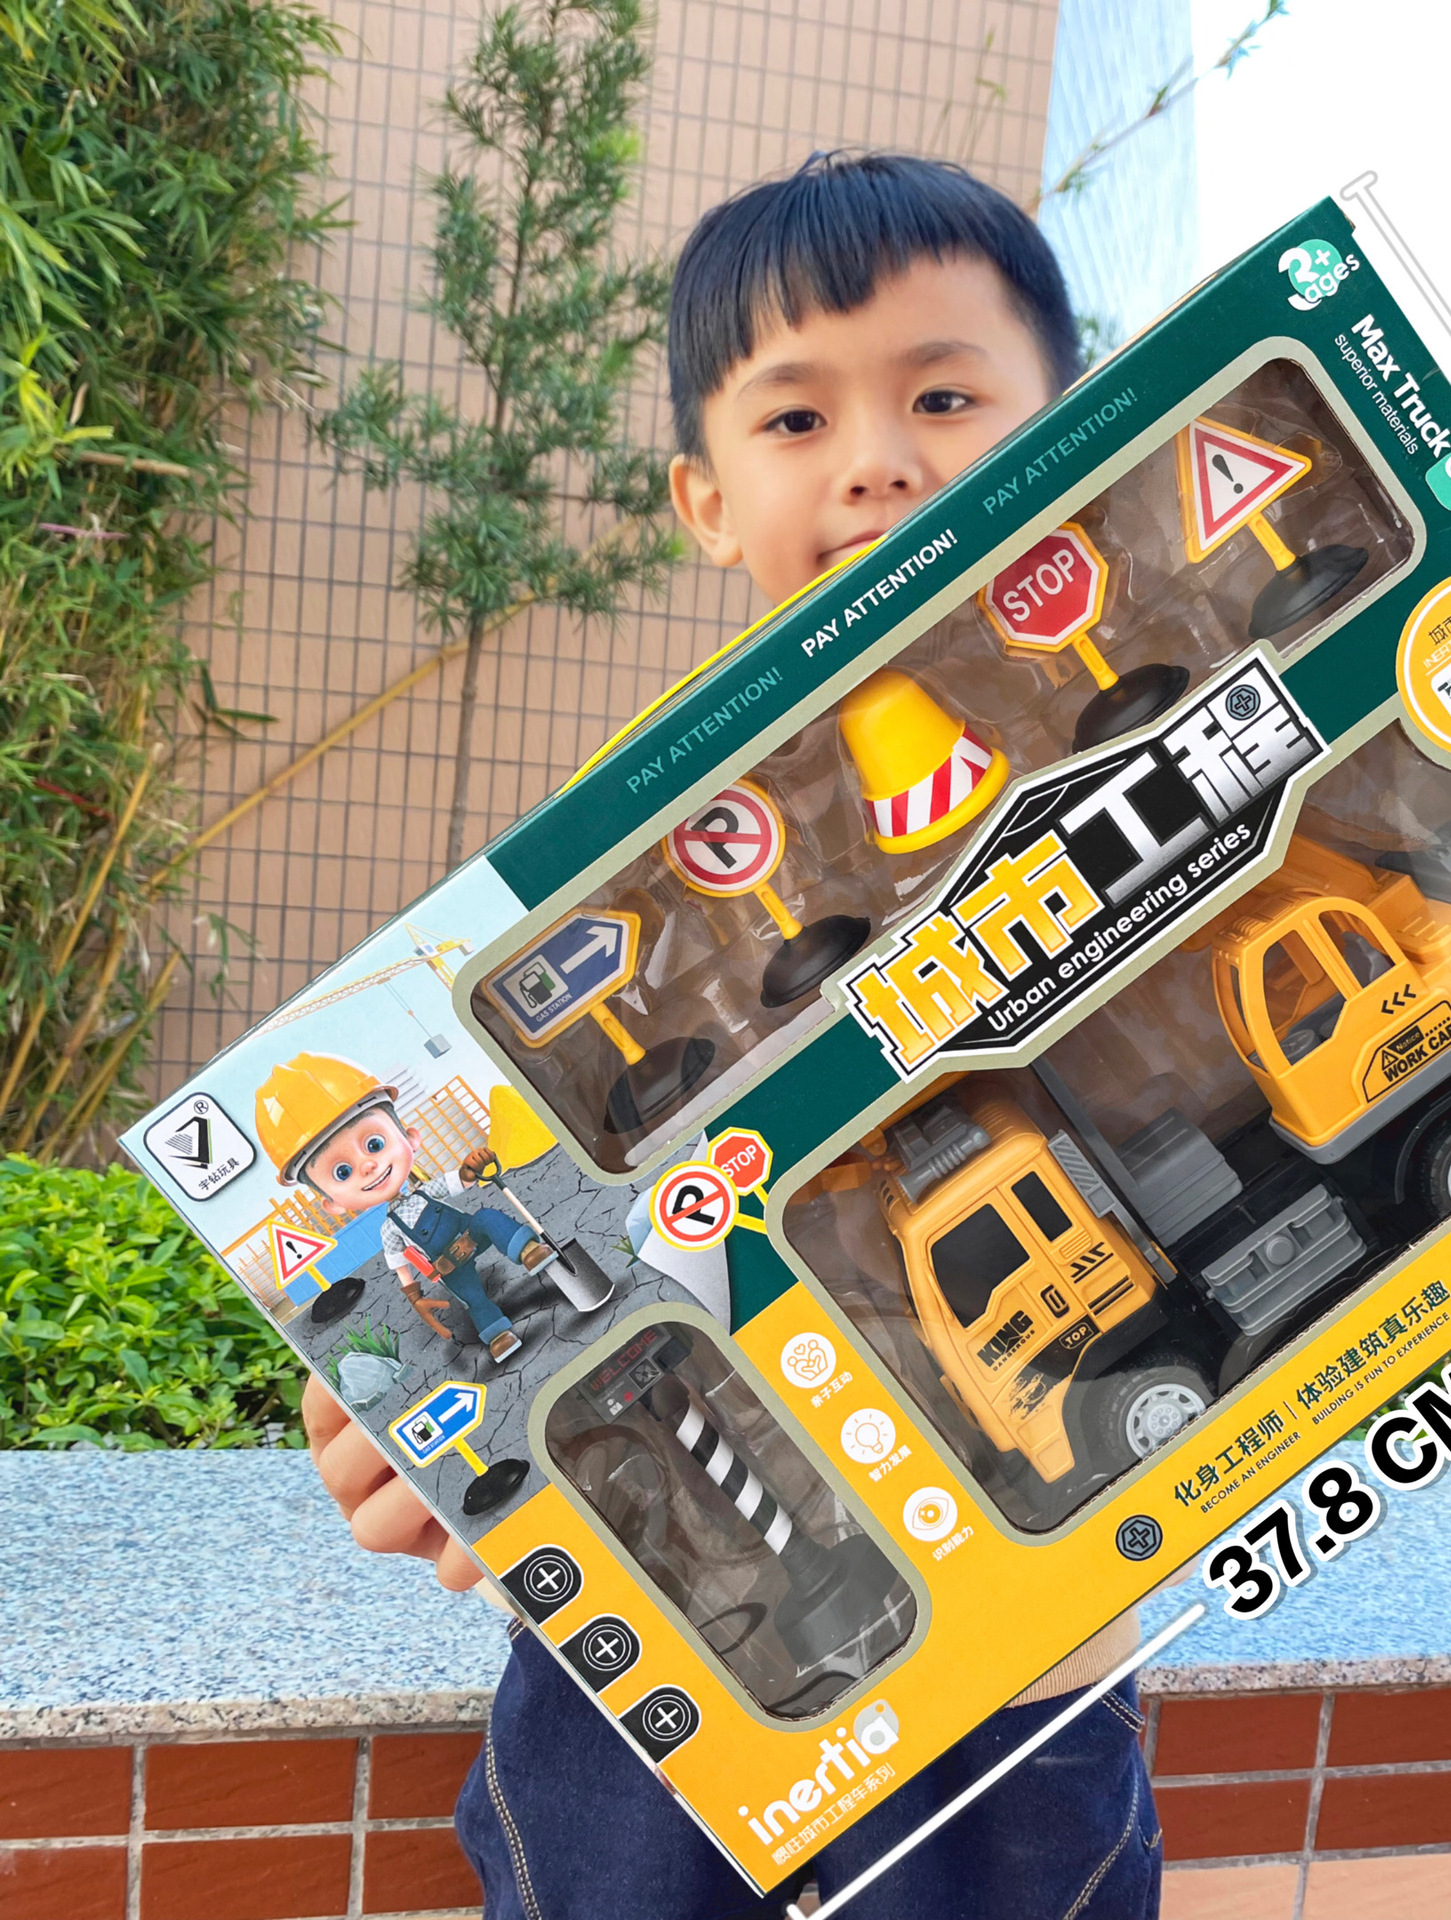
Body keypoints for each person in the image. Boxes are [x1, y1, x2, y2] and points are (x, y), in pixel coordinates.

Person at [305, 152, 1164, 1920]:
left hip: (1023, 1649)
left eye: (946, 396)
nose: (879, 461)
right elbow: (485, 1201)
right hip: (656, 1631)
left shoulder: (1164, 770)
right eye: (797, 419)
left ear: (1073, 425)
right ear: (705, 498)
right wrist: (406, 1397)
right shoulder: (613, 887)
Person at [259, 1050, 554, 1363]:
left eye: (374, 1144)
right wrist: (415, 1298)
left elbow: (459, 1181)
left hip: (471, 1233)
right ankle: (498, 1335)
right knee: (472, 1296)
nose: (368, 1166)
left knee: (488, 1218)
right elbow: (400, 1265)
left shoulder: (425, 1191)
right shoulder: (389, 1230)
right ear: (332, 1203)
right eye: (342, 1172)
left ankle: (527, 1250)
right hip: (448, 1262)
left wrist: (471, 1168)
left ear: (410, 1137)